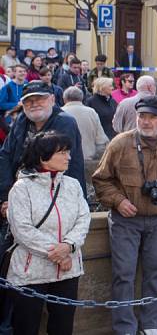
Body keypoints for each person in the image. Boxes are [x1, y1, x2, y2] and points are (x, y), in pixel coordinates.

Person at [92, 96, 157, 335]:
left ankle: (150, 326)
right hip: (126, 220)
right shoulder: (120, 144)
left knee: (156, 271)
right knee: (123, 274)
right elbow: (100, 180)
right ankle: (125, 328)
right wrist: (119, 201)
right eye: (142, 116)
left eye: (152, 117)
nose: (146, 122)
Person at [6, 131, 90, 335]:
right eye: (62, 152)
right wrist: (60, 255)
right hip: (30, 272)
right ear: (43, 156)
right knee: (26, 326)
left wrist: (68, 246)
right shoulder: (21, 188)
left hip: (68, 271)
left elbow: (83, 218)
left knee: (63, 326)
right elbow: (22, 229)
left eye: (68, 152)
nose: (68, 157)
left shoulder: (73, 185)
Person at [0, 81, 87, 211]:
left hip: (57, 198)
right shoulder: (21, 119)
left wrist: (22, 199)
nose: (34, 104)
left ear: (52, 99)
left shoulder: (65, 122)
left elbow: (59, 165)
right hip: (20, 193)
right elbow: (5, 155)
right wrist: (7, 196)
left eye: (40, 98)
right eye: (28, 101)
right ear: (22, 104)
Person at [61, 86, 108, 162]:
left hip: (65, 161)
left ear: (64, 99)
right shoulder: (91, 112)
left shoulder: (60, 113)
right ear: (82, 98)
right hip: (88, 159)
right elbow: (101, 140)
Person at [86, 77, 117, 141]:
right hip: (98, 139)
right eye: (110, 86)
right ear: (102, 87)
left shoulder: (112, 101)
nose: (113, 88)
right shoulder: (91, 102)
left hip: (112, 138)